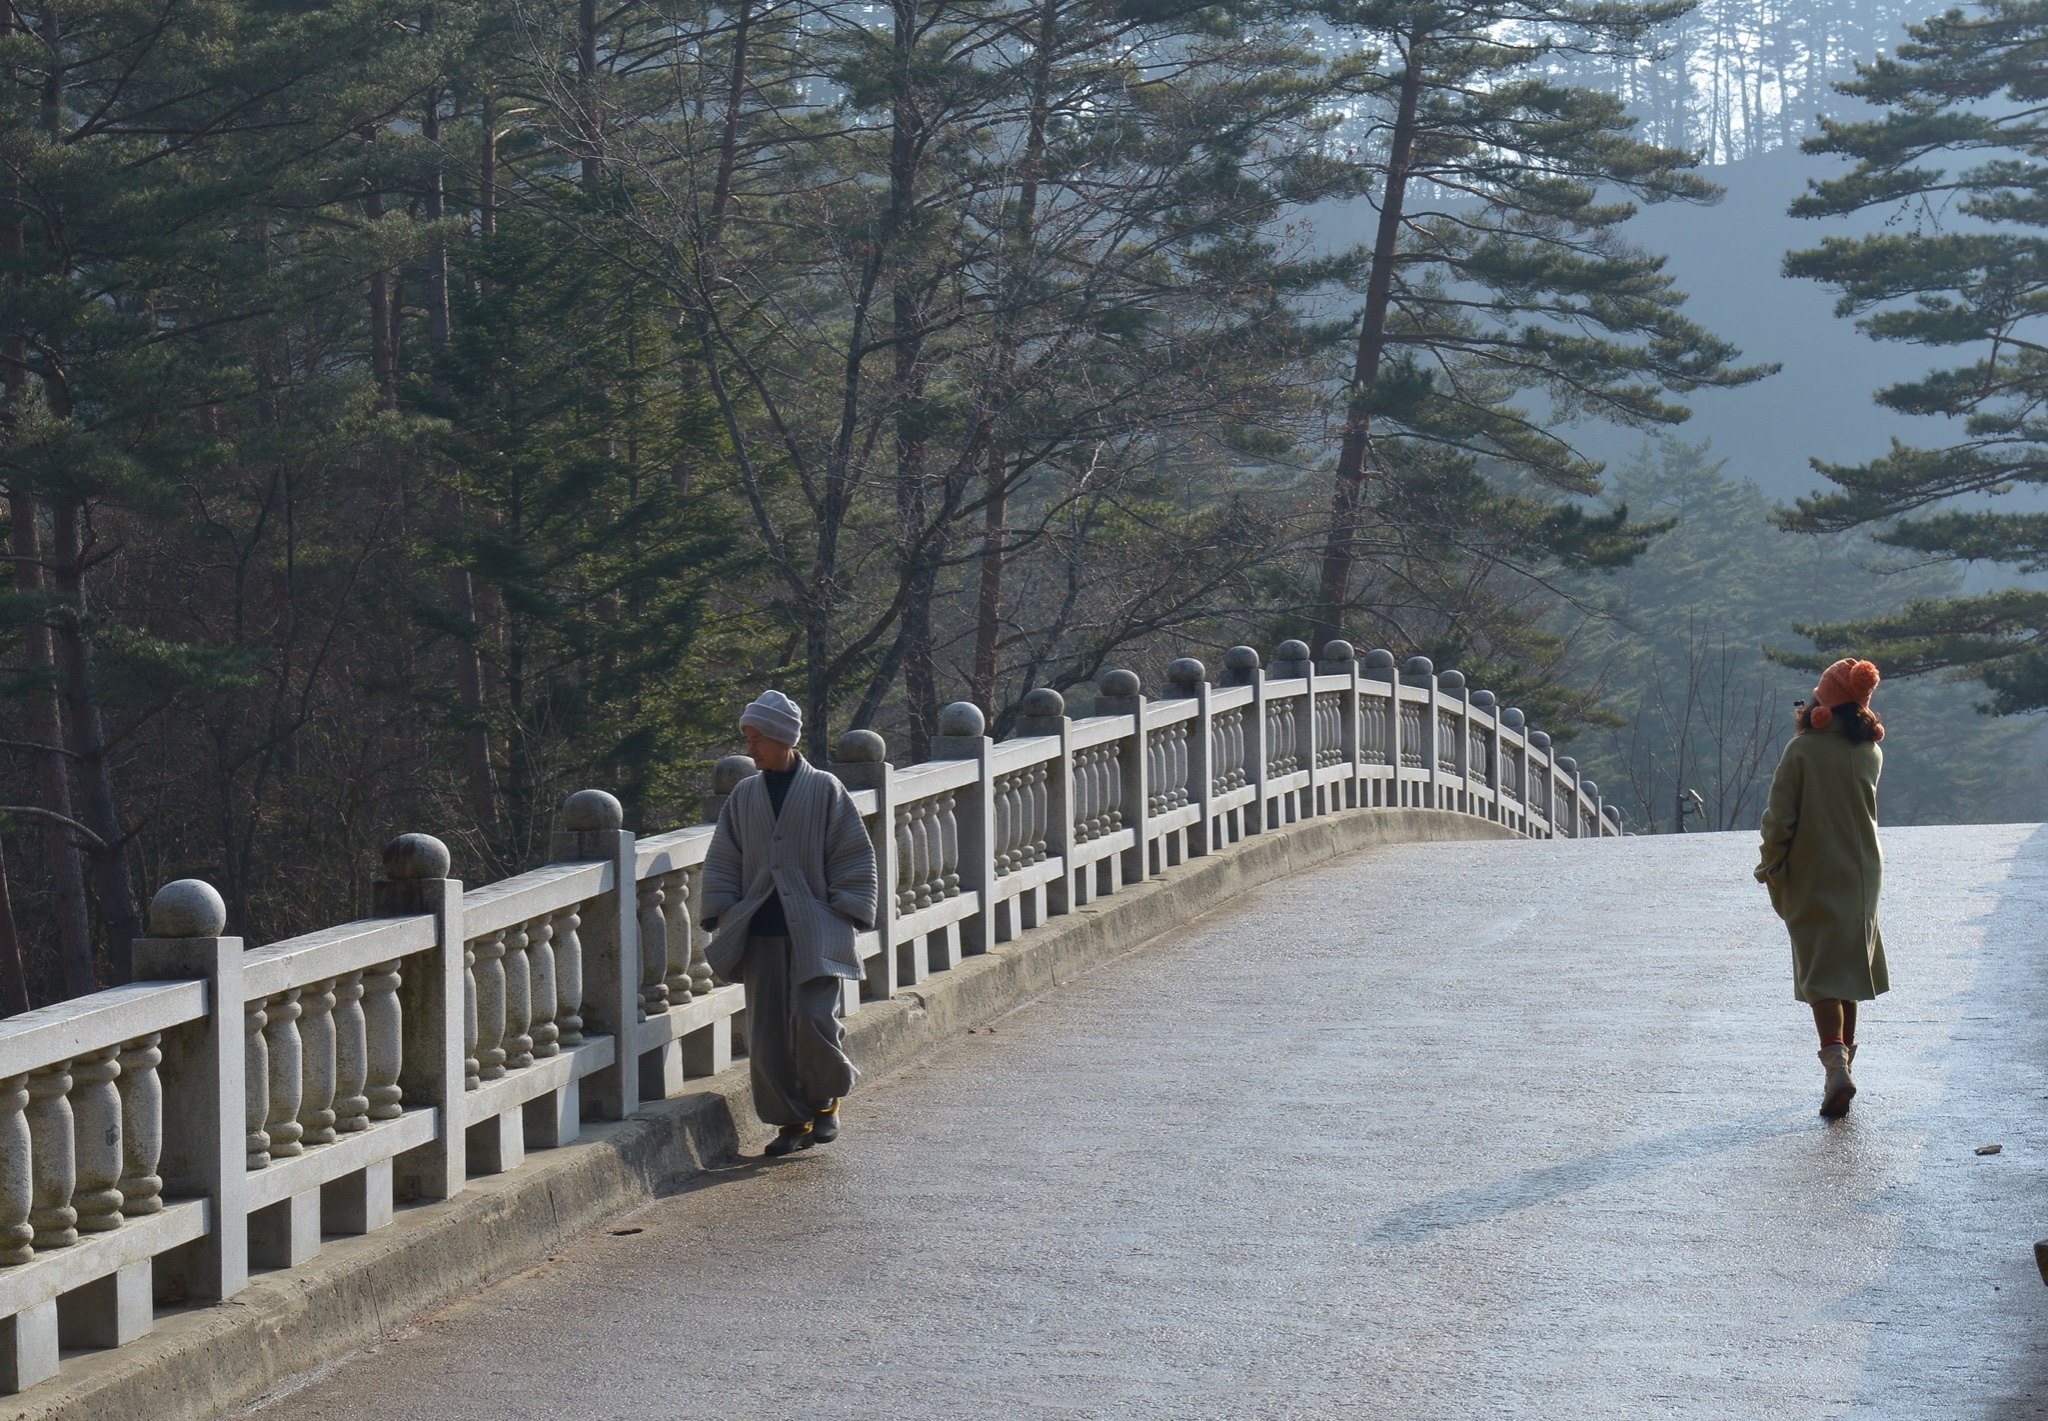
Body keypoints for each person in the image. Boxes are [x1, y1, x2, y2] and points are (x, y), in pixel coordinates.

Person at [700, 690, 879, 1156]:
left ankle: (825, 1100)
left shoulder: (824, 789)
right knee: (767, 1032)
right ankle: (789, 1122)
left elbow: (852, 852)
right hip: (760, 927)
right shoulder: (744, 794)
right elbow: (723, 858)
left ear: (783, 739)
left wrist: (847, 907)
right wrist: (723, 908)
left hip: (816, 927)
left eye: (757, 738)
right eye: (747, 738)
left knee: (815, 1018)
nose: (750, 748)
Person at [1755, 657, 1888, 1119]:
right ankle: (1845, 1063)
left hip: (1815, 870)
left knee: (1820, 973)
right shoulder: (1871, 751)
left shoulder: (1803, 753)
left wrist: (1770, 864)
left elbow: (1779, 820)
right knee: (1847, 966)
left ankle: (1835, 1066)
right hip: (1865, 872)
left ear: (1822, 707)